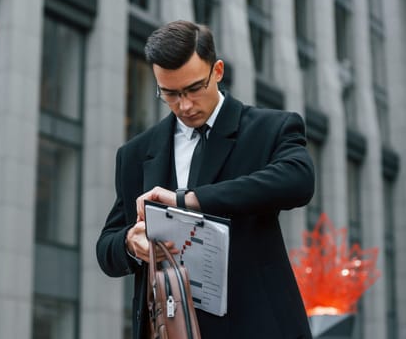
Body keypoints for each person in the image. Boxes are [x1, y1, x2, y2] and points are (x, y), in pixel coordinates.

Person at [96, 20, 314, 339]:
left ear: (218, 71)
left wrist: (187, 200)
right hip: (170, 328)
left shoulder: (270, 128)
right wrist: (131, 243)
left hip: (258, 326)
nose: (184, 105)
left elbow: (299, 179)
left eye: (194, 89)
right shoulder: (135, 154)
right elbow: (106, 248)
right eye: (170, 94)